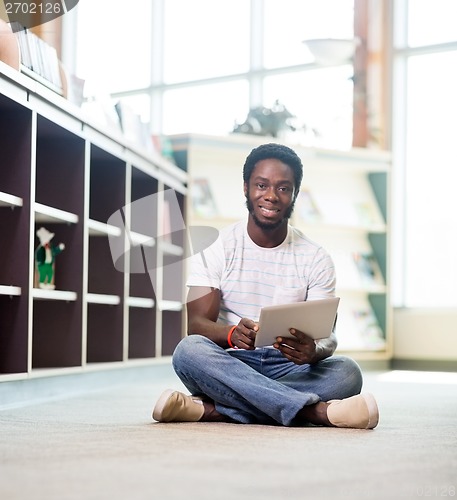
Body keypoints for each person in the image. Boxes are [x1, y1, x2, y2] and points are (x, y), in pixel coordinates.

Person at [152, 143, 379, 429]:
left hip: (289, 366)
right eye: (262, 185)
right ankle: (315, 413)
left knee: (347, 373)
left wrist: (315, 351)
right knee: (188, 351)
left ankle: (212, 409)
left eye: (283, 188)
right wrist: (232, 334)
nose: (271, 196)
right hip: (232, 362)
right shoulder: (216, 247)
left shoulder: (316, 257)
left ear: (295, 194)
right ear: (246, 187)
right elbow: (196, 325)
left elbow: (329, 337)